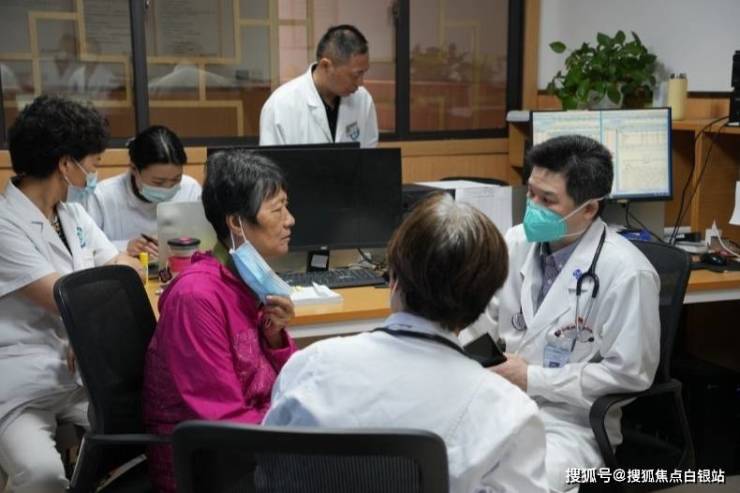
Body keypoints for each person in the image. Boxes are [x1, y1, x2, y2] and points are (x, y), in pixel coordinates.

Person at [264, 193, 549, 493]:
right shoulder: (508, 412)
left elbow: (271, 468)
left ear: (393, 279)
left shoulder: (309, 366)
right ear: (484, 300)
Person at [464, 135, 661, 492]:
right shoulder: (516, 241)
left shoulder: (627, 273)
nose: (533, 206)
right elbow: (477, 323)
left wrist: (533, 378)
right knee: (441, 462)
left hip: (571, 425)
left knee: (513, 485)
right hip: (500, 402)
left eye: (548, 200)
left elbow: (629, 374)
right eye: (531, 193)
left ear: (589, 209)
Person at [0, 95, 142, 493]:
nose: (94, 173)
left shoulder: (72, 215)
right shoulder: (5, 224)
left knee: (146, 436)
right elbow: (61, 298)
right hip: (20, 378)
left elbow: (128, 268)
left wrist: (90, 318)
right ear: (66, 164)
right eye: (93, 163)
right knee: (42, 475)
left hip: (81, 374)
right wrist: (94, 316)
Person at [142, 150, 298, 492]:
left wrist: (275, 338)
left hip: (250, 445)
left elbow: (287, 381)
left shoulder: (247, 283)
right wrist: (300, 433)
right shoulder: (197, 297)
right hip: (211, 466)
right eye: (277, 209)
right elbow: (221, 418)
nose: (290, 220)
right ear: (236, 222)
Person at [85, 125, 202, 256]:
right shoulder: (103, 196)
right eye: (158, 182)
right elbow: (86, 248)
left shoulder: (190, 189)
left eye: (176, 179)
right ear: (134, 169)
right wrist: (125, 247)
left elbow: (204, 239)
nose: (168, 188)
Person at [259, 24, 378, 148]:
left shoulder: (363, 100)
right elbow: (270, 160)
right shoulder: (280, 106)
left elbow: (369, 154)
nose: (360, 83)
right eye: (356, 75)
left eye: (363, 73)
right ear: (326, 66)